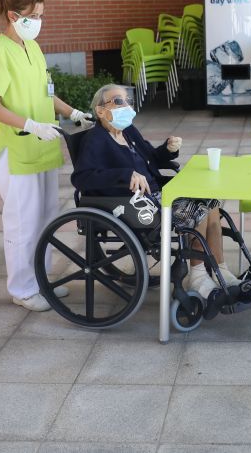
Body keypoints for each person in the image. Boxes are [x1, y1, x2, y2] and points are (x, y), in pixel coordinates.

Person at [0, 0, 92, 312]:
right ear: (14, 16)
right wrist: (30, 125)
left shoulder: (33, 48)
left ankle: (40, 280)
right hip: (17, 150)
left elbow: (46, 93)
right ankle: (23, 289)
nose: (39, 22)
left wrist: (72, 113)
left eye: (41, 16)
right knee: (22, 223)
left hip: (44, 146)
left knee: (45, 220)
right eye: (33, 16)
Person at [70, 83, 241, 299]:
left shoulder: (128, 131)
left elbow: (151, 157)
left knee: (211, 202)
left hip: (157, 193)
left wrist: (168, 149)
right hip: (134, 202)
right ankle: (198, 277)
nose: (126, 106)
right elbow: (81, 178)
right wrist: (125, 175)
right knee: (198, 209)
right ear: (100, 111)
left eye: (128, 101)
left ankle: (221, 269)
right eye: (118, 101)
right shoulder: (95, 139)